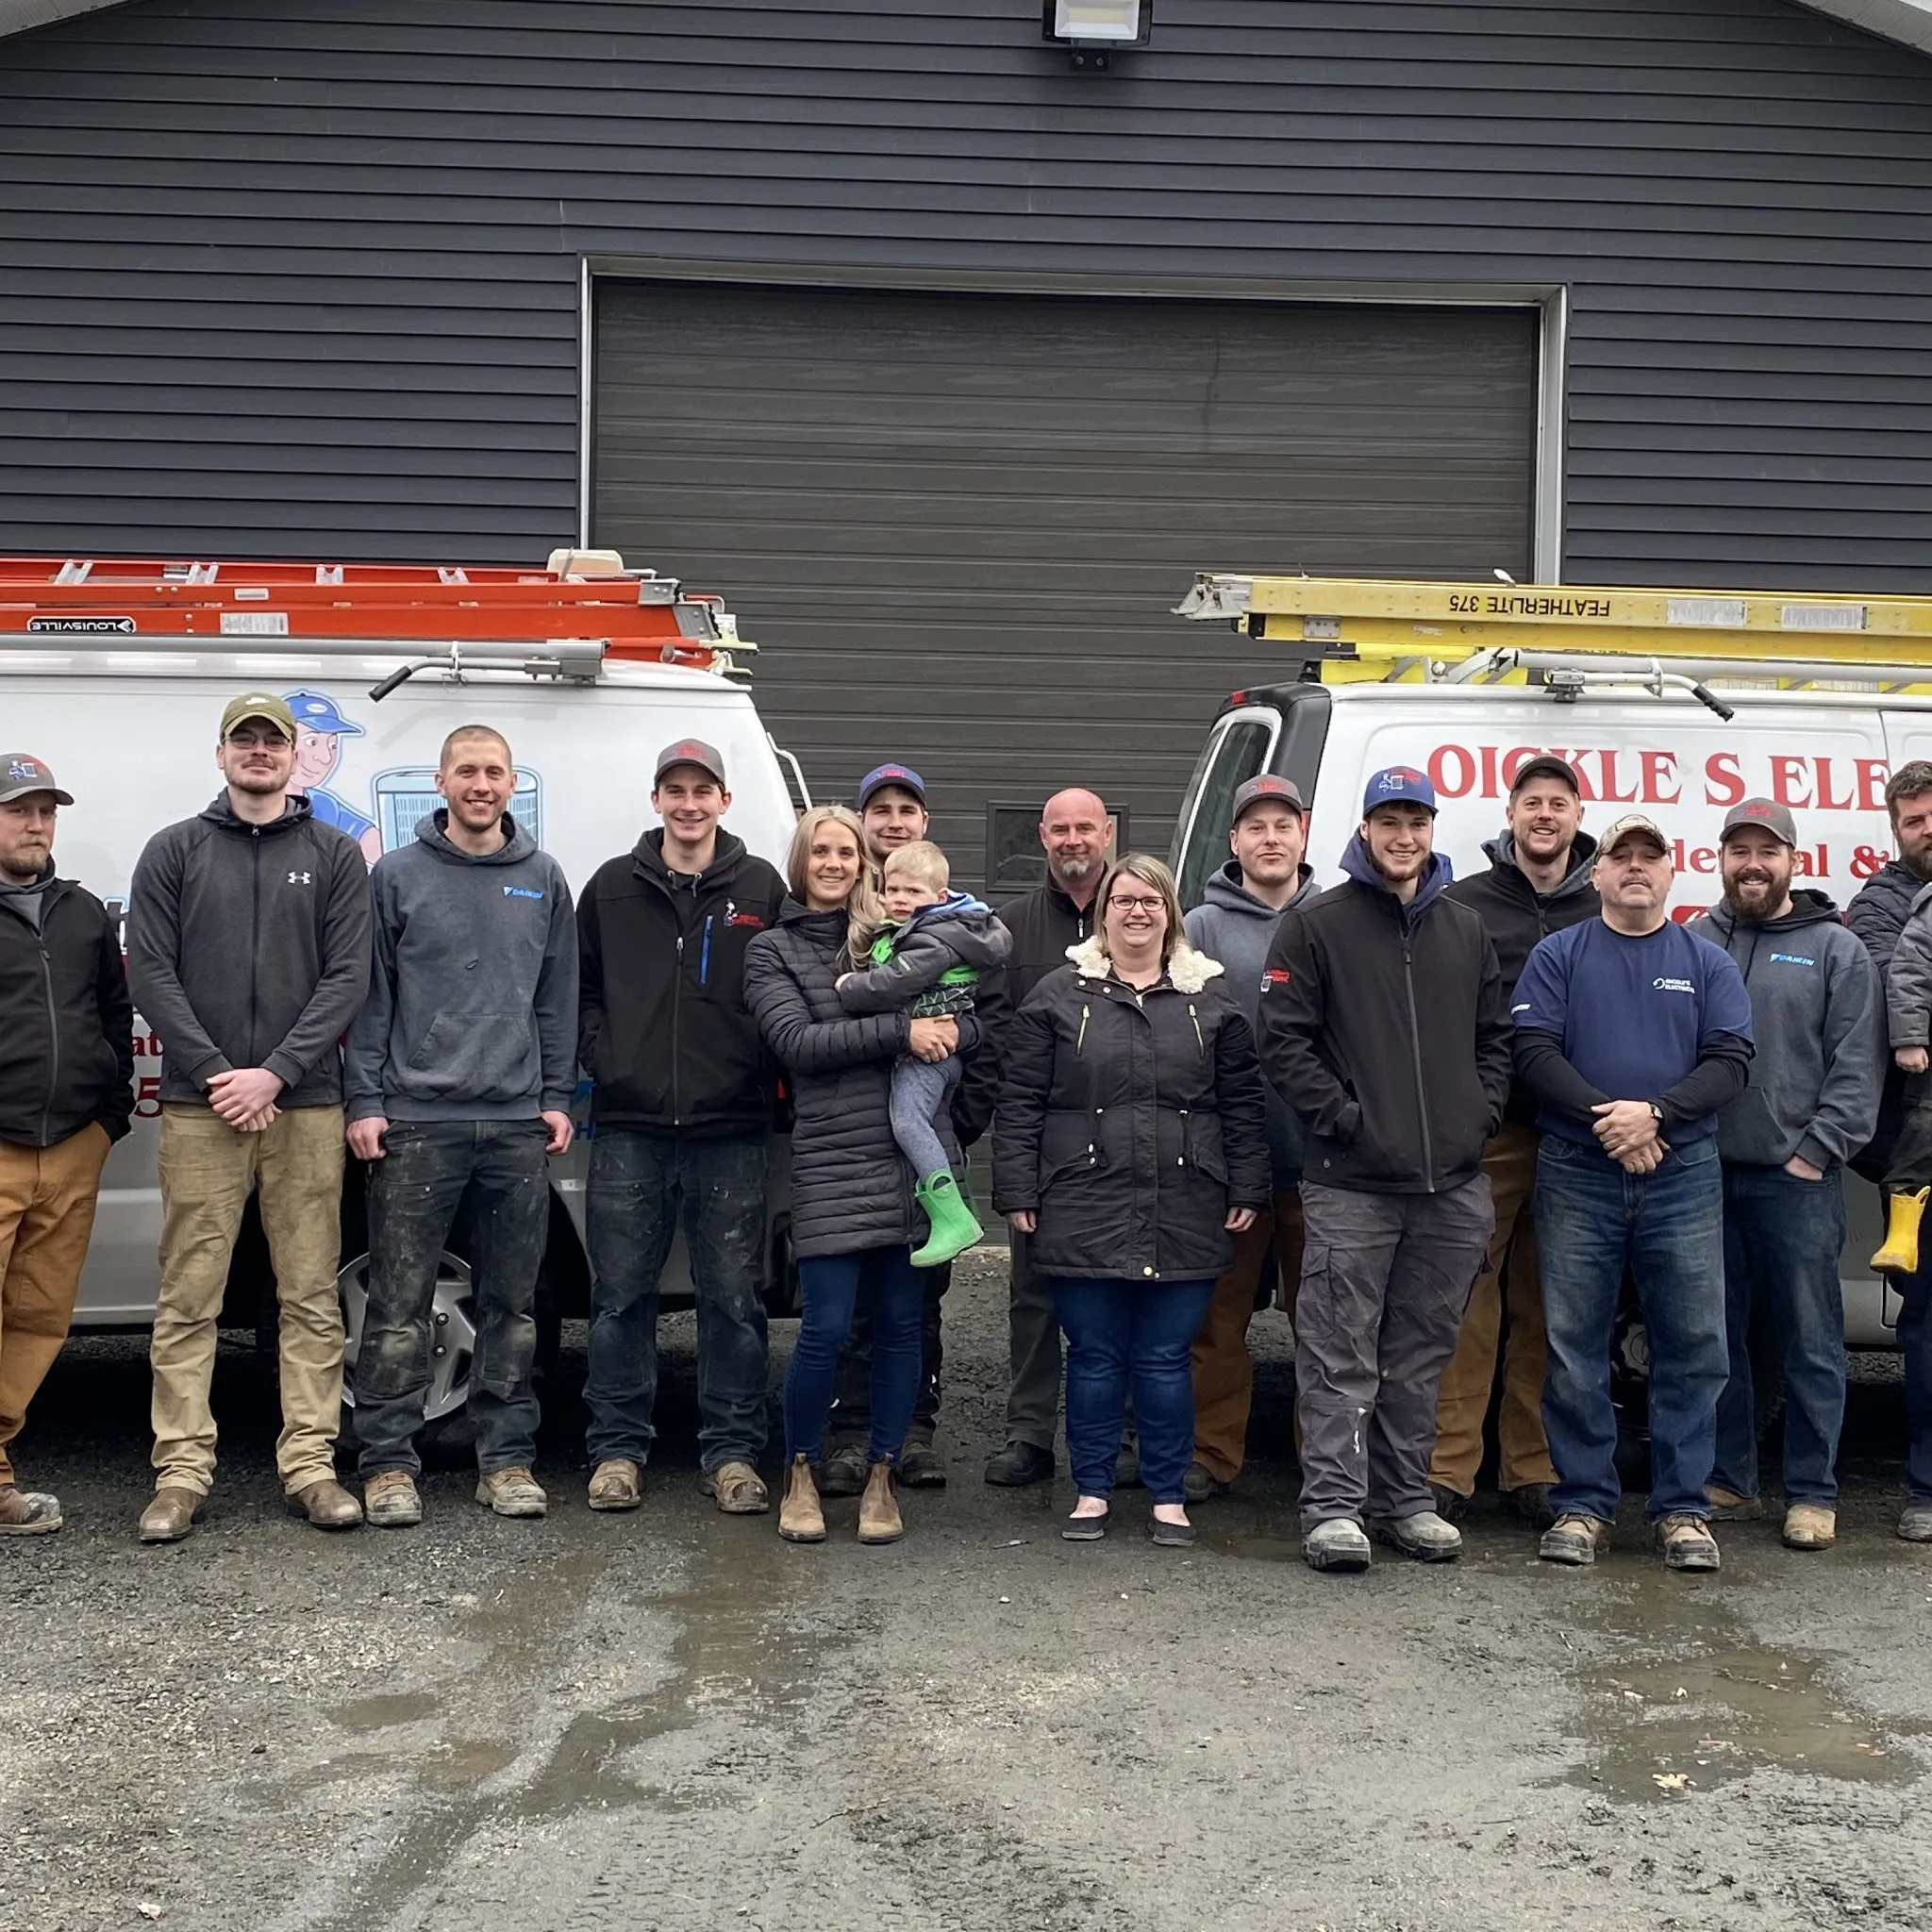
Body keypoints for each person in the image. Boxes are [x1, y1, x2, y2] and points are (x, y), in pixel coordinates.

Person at [126, 691, 372, 1542]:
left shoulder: (334, 855)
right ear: (222, 753)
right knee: (188, 1297)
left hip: (304, 1106)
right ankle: (180, 1473)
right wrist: (217, 1072)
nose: (258, 752)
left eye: (272, 740)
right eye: (245, 740)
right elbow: (150, 972)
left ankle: (311, 1467)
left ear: (293, 755)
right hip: (203, 1109)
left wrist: (274, 1073)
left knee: (310, 1294)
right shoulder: (174, 851)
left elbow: (347, 976)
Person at [1257, 766, 1511, 1574]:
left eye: (1416, 821)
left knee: (1421, 1354)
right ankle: (1334, 1509)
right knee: (1339, 1354)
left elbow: (1495, 1040)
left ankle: (1405, 1501)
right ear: (1364, 829)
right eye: (1389, 821)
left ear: (1433, 829)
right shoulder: (1315, 924)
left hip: (1451, 1187)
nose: (1404, 836)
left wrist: (1477, 1117)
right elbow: (1282, 1042)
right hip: (1352, 1185)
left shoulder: (1465, 928)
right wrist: (1346, 1121)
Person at [994, 855, 1269, 1545]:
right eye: (1124, 900)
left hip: (1186, 1200)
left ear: (1170, 912)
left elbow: (1242, 1103)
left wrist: (1247, 1183)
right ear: (1104, 911)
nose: (1137, 912)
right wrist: (1017, 1188)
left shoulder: (1211, 998)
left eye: (1151, 900)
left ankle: (1167, 1495)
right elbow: (1020, 1101)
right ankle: (1091, 1490)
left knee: (1164, 1357)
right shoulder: (1058, 994)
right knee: (1093, 1355)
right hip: (1082, 1199)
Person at [344, 725, 579, 1525]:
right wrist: (366, 1102)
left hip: (515, 1125)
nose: (481, 785)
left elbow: (557, 999)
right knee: (398, 1306)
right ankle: (387, 1465)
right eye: (467, 771)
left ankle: (505, 1461)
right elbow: (371, 998)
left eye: (495, 772)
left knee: (513, 1308)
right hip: (416, 1123)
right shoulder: (396, 876)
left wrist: (555, 1096)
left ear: (512, 784)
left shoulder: (543, 878)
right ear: (440, 782)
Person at [1511, 813, 1754, 1572]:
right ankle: (1583, 1504)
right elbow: (1533, 1052)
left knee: (1694, 1344)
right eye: (1623, 856)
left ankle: (1682, 1510)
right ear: (1599, 873)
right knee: (1572, 1344)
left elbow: (1731, 1061)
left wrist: (1656, 1115)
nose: (1637, 867)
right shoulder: (1559, 955)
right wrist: (1612, 1120)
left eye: (1652, 856)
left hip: (1681, 1172)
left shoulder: (1706, 961)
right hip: (1577, 1170)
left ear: (1673, 872)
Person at [745, 805, 969, 1545]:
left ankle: (880, 1476)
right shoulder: (772, 950)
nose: (835, 863)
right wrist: (903, 1031)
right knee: (826, 1329)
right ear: (801, 862)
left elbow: (967, 1006)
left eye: (846, 852)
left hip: (907, 1159)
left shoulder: (894, 935)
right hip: (832, 1161)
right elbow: (798, 1043)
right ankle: (801, 1473)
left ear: (863, 862)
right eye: (821, 852)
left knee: (903, 1329)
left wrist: (958, 1030)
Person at [575, 738, 787, 1515]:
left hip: (729, 1126)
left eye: (703, 791)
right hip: (628, 1124)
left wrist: (753, 1066)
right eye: (676, 790)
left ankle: (731, 1454)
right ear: (657, 799)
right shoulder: (610, 887)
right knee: (619, 1298)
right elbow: (580, 988)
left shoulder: (761, 886)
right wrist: (605, 1056)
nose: (689, 804)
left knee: (732, 1298)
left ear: (724, 801)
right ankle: (617, 1451)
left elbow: (784, 988)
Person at [1688, 798, 1879, 1554]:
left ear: (1793, 862)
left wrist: (1816, 1152)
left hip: (1797, 1179)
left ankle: (1812, 1491)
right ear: (1721, 860)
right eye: (1739, 851)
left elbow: (1857, 1066)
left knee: (1811, 1340)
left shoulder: (1836, 950)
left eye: (1768, 851)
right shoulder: (1698, 939)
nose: (1753, 865)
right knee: (1717, 1336)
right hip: (1705, 1175)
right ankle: (1730, 1476)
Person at [1430, 754, 1600, 1531]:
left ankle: (1534, 1468)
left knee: (1552, 1307)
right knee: (1467, 1302)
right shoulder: (1463, 904)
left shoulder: (1602, 906)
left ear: (1577, 816)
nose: (1544, 815)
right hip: (1487, 1138)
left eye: (1558, 803)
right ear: (1510, 813)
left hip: (1577, 1138)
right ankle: (1446, 1470)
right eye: (1532, 802)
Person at [0, 755, 134, 1536]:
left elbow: (114, 1014)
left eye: (46, 812)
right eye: (19, 811)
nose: (36, 825)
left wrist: (108, 1116)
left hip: (73, 1146)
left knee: (39, 1318)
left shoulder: (83, 913)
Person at [1177, 774, 1318, 1503]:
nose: (1270, 838)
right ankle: (1210, 1454)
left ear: (1303, 834)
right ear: (1234, 841)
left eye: (1282, 825)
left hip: (1320, 1164)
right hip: (1230, 1168)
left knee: (1323, 1325)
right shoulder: (1200, 927)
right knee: (1217, 1322)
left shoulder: (1334, 918)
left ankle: (1324, 1461)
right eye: (1255, 827)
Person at [978, 786, 1119, 1488]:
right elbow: (993, 1037)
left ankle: (1120, 1435)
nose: (1073, 840)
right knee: (1033, 1296)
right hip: (1040, 1142)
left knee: (1121, 1291)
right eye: (1059, 829)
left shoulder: (1141, 912)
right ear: (1042, 837)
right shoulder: (1009, 928)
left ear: (1107, 833)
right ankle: (1029, 1433)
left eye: (1084, 828)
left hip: (1124, 1141)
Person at [821, 761, 956, 1491]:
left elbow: (982, 1020)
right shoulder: (838, 908)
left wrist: (955, 1111)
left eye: (907, 808)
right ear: (863, 821)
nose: (894, 820)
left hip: (924, 1135)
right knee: (853, 1306)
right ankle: (850, 1437)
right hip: (849, 1140)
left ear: (923, 823)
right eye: (882, 809)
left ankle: (915, 1432)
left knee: (919, 1296)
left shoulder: (948, 913)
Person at [835, 841, 1010, 1267]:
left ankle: (952, 1218)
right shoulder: (922, 929)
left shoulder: (936, 937)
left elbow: (892, 985)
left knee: (909, 1121)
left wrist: (848, 986)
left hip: (929, 1054)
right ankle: (954, 1208)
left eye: (912, 892)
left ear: (940, 897)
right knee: (921, 1123)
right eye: (892, 889)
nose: (899, 899)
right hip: (929, 1049)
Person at [1846, 760, 1932, 1542]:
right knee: (1929, 1322)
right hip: (1918, 1143)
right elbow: (1886, 989)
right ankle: (1926, 1489)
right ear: (1895, 829)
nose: (1928, 829)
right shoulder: (1880, 904)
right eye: (1914, 820)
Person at [283, 689, 382, 863]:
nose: (326, 758)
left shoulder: (323, 804)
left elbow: (368, 838)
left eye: (333, 746)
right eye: (312, 742)